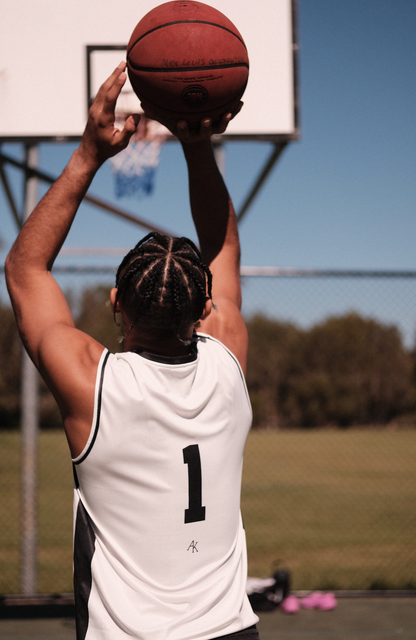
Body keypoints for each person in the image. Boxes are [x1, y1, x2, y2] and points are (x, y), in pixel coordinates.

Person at [5, 63, 259, 640]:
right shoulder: (229, 358)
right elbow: (222, 249)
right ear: (206, 311)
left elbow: (24, 269)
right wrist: (198, 147)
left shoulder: (93, 386)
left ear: (116, 303)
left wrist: (88, 155)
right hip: (230, 631)